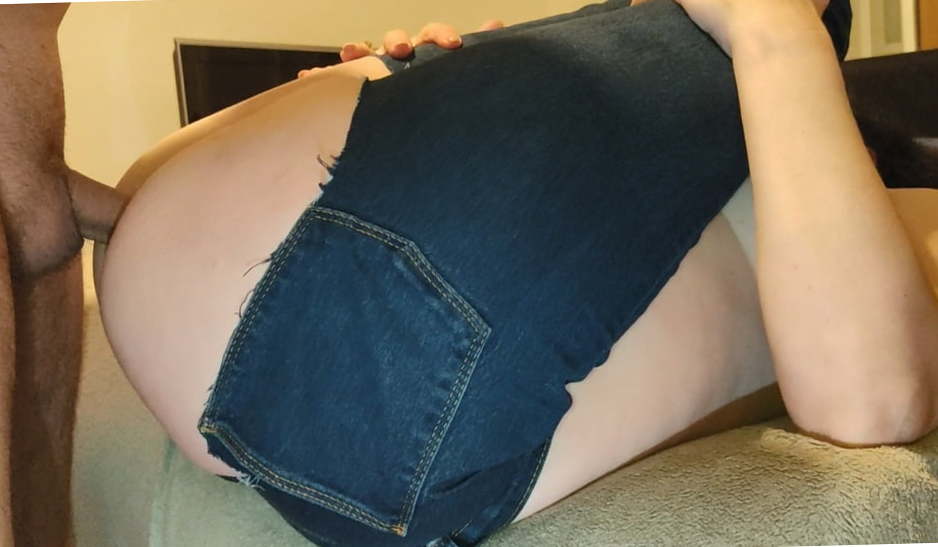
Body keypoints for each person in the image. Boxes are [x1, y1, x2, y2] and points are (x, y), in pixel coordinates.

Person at [2, 1, 936, 547]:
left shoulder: (857, 186)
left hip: (252, 302)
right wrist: (412, 99)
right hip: (230, 257)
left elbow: (875, 400)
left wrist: (779, 34)